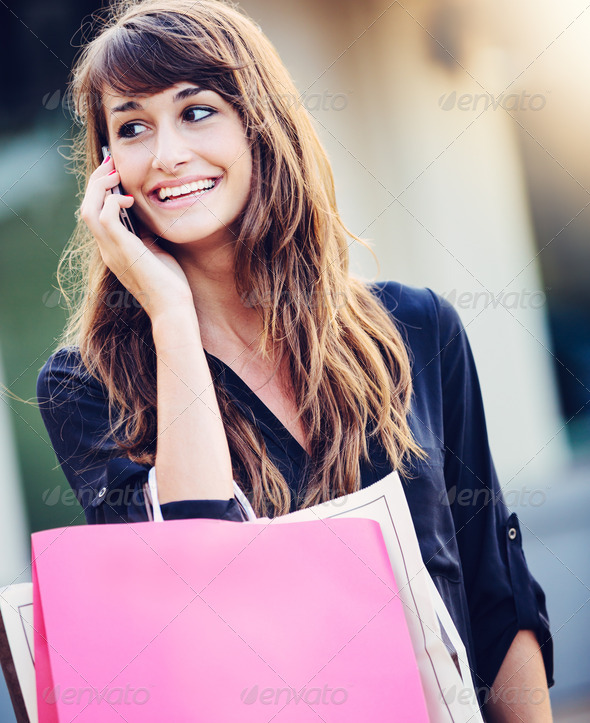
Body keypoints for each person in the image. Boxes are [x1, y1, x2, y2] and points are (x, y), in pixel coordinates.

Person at [36, 0, 553, 718]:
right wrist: (172, 316)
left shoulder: (416, 328)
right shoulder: (88, 386)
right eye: (131, 127)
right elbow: (195, 573)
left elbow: (500, 596)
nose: (166, 155)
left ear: (260, 124)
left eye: (197, 111)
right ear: (107, 170)